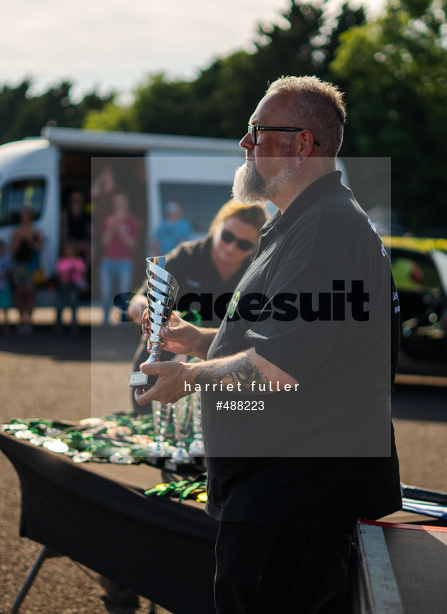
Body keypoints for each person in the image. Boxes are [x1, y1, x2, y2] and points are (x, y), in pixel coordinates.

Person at [135, 76, 401, 614]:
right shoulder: (309, 221)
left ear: (302, 145)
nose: (245, 143)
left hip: (294, 495)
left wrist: (188, 378)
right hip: (290, 489)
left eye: (257, 131)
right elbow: (293, 339)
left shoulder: (324, 228)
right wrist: (203, 340)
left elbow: (281, 365)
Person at [126, 199, 268, 412]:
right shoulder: (186, 256)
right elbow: (136, 302)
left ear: (255, 245)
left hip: (214, 379)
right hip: (160, 368)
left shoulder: (256, 273)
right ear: (216, 226)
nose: (231, 248)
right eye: (227, 236)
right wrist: (152, 314)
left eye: (243, 244)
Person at [99, 192, 138, 325]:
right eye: (116, 202)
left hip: (124, 262)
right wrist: (111, 227)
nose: (118, 205)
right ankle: (105, 323)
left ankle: (122, 324)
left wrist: (121, 231)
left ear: (126, 204)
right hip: (108, 261)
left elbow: (133, 244)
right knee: (106, 294)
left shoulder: (132, 221)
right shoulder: (108, 220)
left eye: (121, 202)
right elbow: (105, 242)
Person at [10, 206, 43, 335]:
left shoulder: (36, 232)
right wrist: (19, 239)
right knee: (20, 292)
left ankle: (29, 319)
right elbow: (13, 250)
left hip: (31, 265)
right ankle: (20, 319)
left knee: (30, 292)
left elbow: (40, 248)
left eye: (27, 215)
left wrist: (30, 240)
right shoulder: (16, 231)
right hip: (19, 265)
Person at [54, 242, 87, 333]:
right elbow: (58, 273)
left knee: (74, 304)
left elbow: (83, 273)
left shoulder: (78, 261)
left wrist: (74, 267)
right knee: (60, 305)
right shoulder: (61, 261)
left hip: (73, 286)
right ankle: (58, 324)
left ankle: (74, 324)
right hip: (63, 286)